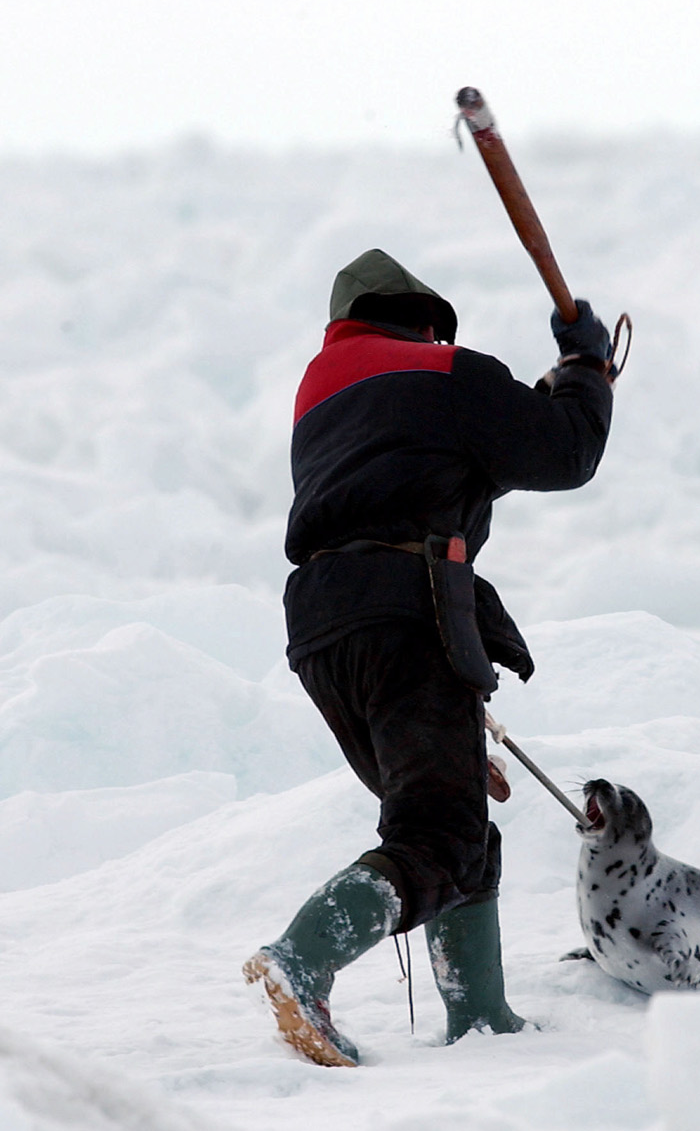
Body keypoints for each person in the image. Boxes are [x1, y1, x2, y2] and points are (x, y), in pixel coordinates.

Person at [244, 249, 614, 1066]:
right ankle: (301, 961)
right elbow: (562, 452)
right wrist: (586, 366)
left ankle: (481, 1020)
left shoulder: (323, 398)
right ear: (426, 319)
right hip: (405, 611)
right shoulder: (449, 374)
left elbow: (455, 457)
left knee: (456, 830)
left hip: (322, 628)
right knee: (437, 835)